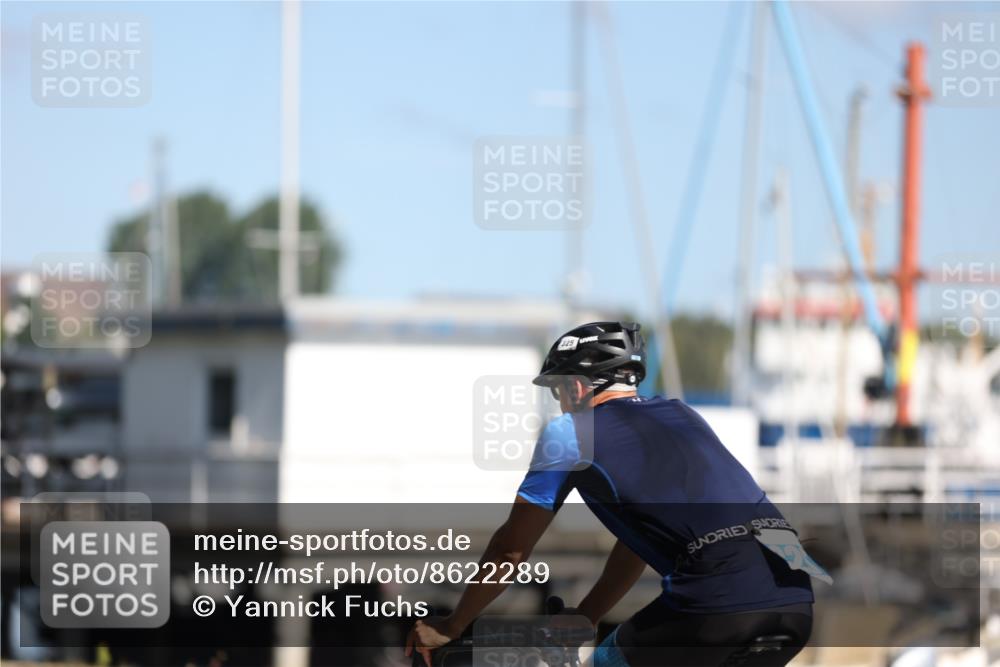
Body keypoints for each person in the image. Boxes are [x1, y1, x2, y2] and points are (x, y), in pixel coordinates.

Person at [406, 322, 820, 667]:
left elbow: (511, 550)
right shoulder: (683, 416)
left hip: (715, 602)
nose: (559, 404)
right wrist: (586, 615)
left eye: (557, 390)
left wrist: (452, 624)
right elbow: (637, 541)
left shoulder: (570, 435)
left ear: (578, 388)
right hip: (794, 601)